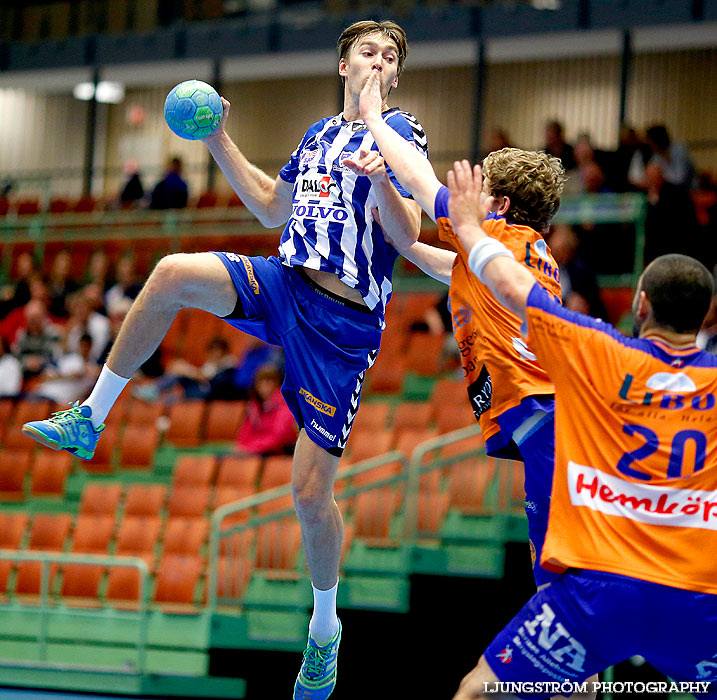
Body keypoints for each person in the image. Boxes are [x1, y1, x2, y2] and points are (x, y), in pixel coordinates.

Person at [22, 19, 426, 700]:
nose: (378, 61)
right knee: (172, 271)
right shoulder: (318, 136)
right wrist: (216, 137)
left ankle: (324, 630)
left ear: (393, 75)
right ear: (343, 65)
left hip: (342, 324)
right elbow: (271, 207)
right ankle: (92, 415)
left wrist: (382, 174)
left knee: (308, 494)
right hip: (286, 281)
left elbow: (408, 233)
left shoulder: (402, 133)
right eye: (367, 51)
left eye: (389, 57)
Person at [444, 159, 717, 699]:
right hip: (698, 595)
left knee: (479, 691)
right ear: (707, 316)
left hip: (602, 589)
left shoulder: (601, 354)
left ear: (640, 305)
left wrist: (471, 228)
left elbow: (515, 286)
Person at [353, 67, 564, 592]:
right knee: (556, 585)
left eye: (480, 189)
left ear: (499, 206)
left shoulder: (492, 233)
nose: (466, 195)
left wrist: (374, 118)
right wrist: (391, 223)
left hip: (548, 418)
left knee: (559, 589)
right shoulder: (512, 252)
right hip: (550, 418)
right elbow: (442, 265)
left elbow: (422, 183)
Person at [234, 364, 298, 456]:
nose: (264, 386)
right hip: (254, 451)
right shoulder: (254, 406)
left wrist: (251, 448)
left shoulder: (285, 406)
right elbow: (245, 434)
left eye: (268, 382)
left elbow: (278, 438)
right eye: (261, 382)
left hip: (274, 453)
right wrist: (242, 447)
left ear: (276, 383)